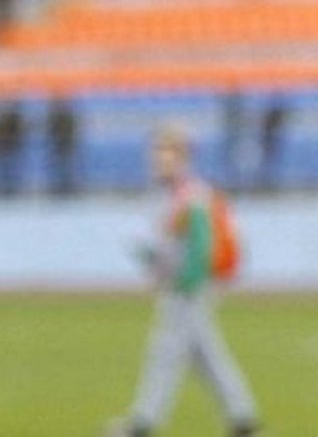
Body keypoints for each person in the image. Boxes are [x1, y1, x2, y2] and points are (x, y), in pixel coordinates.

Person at [109, 125, 260, 437]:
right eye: (156, 152)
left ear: (182, 156)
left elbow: (200, 245)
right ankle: (243, 417)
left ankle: (143, 422)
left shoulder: (190, 195)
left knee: (165, 353)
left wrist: (185, 279)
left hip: (187, 287)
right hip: (181, 284)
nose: (158, 159)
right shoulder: (172, 194)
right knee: (205, 355)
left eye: (166, 152)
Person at [46, 95, 78, 196]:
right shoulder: (55, 117)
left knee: (67, 167)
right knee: (56, 167)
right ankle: (57, 186)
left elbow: (72, 131)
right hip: (57, 145)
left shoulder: (68, 117)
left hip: (66, 145)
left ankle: (67, 185)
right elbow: (51, 131)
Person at [0, 100, 23, 195]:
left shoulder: (15, 120)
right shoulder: (5, 120)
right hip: (5, 146)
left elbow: (18, 132)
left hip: (12, 146)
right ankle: (6, 186)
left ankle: (12, 186)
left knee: (13, 167)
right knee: (6, 167)